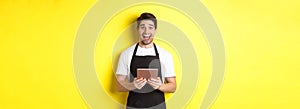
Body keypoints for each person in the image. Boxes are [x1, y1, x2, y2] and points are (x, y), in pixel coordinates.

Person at [115, 12, 177, 109]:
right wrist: (132, 85)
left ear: (155, 30)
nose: (146, 31)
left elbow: (173, 86)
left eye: (150, 27)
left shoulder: (165, 55)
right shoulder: (126, 54)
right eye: (142, 27)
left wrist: (160, 86)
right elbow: (118, 85)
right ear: (137, 29)